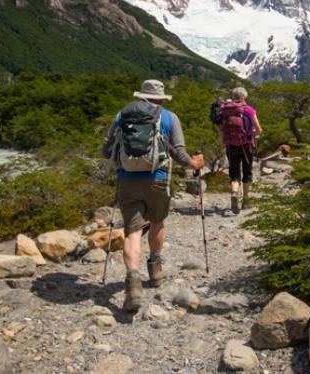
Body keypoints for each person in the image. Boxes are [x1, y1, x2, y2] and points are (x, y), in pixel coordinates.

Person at [102, 79, 204, 312]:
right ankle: (155, 269)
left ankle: (133, 281)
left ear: (141, 96)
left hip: (127, 180)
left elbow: (106, 151)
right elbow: (178, 152)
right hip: (157, 178)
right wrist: (195, 163)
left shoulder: (121, 116)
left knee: (132, 232)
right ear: (160, 97)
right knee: (157, 222)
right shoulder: (169, 117)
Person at [219, 87, 263, 214]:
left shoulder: (225, 111)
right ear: (244, 97)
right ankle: (246, 200)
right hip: (246, 145)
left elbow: (221, 129)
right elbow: (259, 129)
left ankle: (234, 193)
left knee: (234, 173)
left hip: (230, 146)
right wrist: (252, 133)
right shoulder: (248, 110)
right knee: (247, 172)